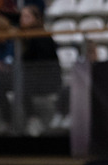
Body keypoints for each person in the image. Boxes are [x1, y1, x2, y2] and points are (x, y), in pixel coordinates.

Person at [18, 3, 62, 136]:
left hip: (45, 80)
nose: (22, 19)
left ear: (36, 19)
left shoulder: (42, 38)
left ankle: (33, 120)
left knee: (21, 85)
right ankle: (20, 121)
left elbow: (43, 64)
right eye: (22, 16)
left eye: (27, 16)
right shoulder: (22, 38)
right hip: (30, 78)